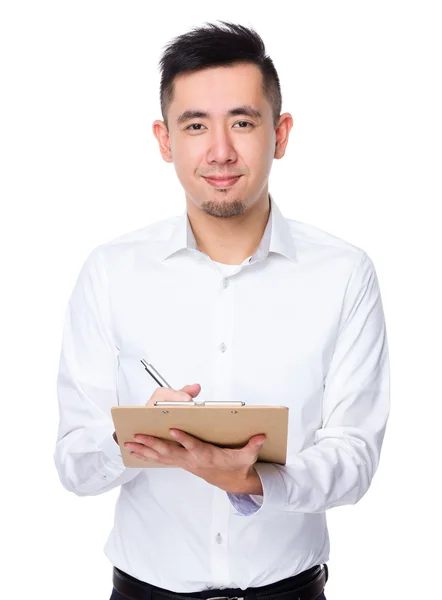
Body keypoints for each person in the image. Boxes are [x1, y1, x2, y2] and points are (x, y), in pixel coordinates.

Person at [54, 20, 390, 600]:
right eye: (194, 125)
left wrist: (255, 478)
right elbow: (73, 464)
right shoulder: (110, 272)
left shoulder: (344, 273)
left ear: (280, 134)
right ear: (164, 141)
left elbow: (356, 455)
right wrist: (132, 440)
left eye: (242, 121)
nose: (220, 151)